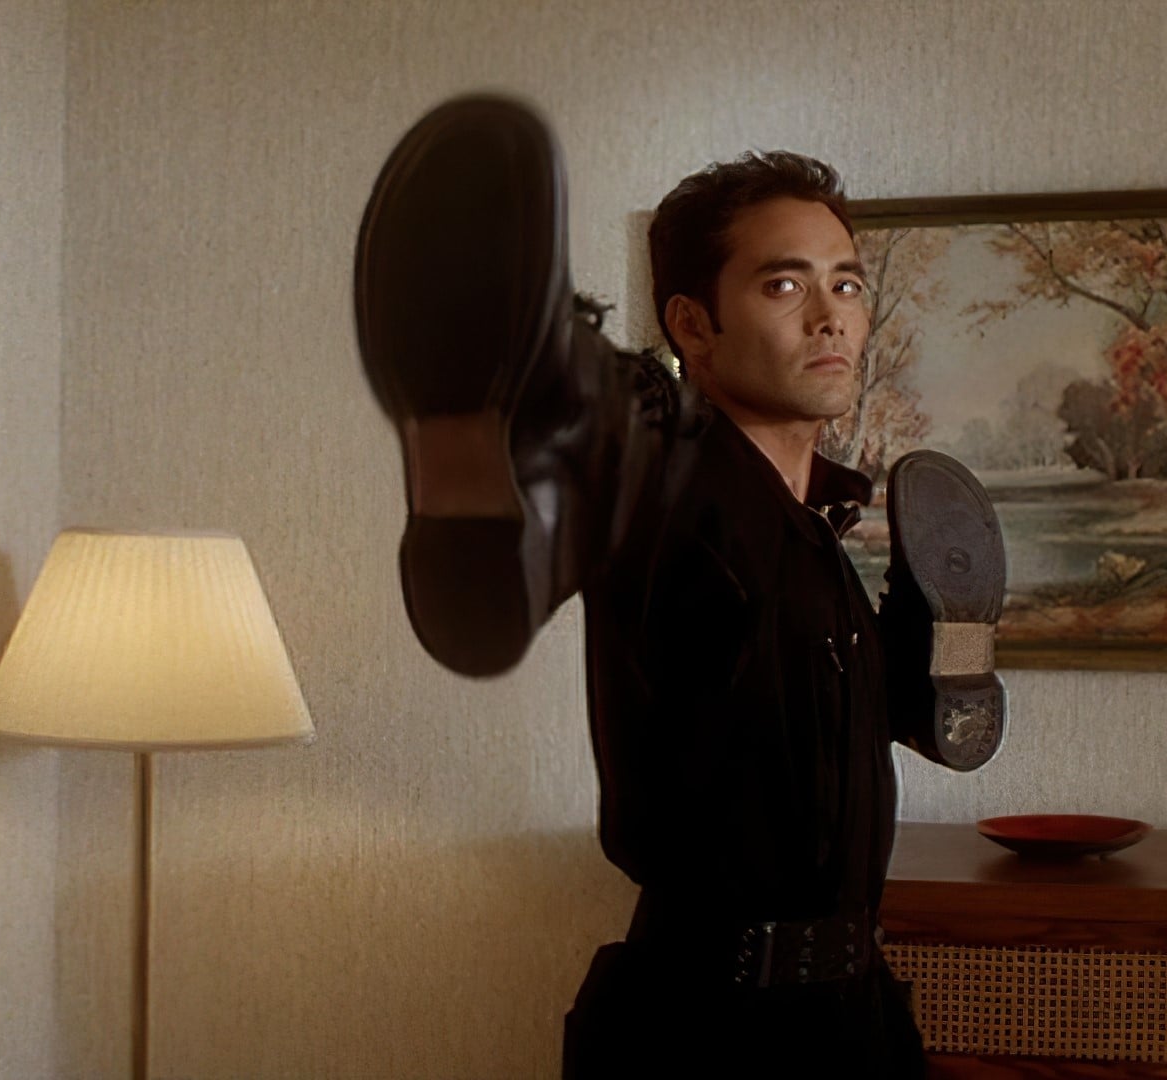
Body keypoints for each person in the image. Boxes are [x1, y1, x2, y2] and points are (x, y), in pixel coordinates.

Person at [353, 94, 1007, 1077]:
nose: (831, 314)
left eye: (846, 283)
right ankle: (499, 422)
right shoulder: (671, 476)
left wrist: (924, 661)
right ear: (694, 325)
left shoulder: (815, 538)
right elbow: (627, 436)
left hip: (856, 1016)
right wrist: (502, 389)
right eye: (784, 285)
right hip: (704, 1033)